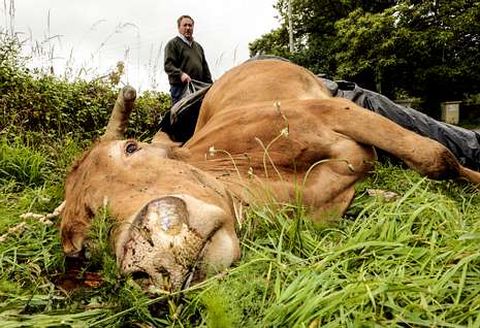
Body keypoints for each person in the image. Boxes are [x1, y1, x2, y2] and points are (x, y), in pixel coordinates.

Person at [164, 15, 212, 105]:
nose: (188, 28)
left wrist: (210, 85)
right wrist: (181, 74)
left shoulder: (198, 47)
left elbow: (205, 69)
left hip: (198, 89)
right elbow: (168, 66)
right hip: (180, 89)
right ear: (179, 28)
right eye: (185, 25)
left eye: (190, 25)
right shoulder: (173, 44)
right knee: (182, 116)